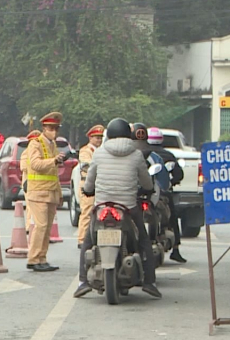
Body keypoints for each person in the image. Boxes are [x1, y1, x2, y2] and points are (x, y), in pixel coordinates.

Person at [75, 118, 161, 299]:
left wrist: (88, 191)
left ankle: (82, 281)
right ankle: (149, 282)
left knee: (88, 240)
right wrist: (148, 189)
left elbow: (90, 180)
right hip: (128, 206)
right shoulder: (136, 154)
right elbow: (146, 181)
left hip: (102, 206)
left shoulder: (99, 153)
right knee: (144, 240)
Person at [23, 112, 66, 272]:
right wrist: (54, 160)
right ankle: (33, 258)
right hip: (38, 192)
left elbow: (54, 174)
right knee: (40, 226)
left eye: (56, 129)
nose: (54, 132)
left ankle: (42, 258)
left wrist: (59, 194)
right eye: (51, 128)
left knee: (47, 228)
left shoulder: (52, 145)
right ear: (44, 128)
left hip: (50, 192)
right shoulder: (35, 144)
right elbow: (35, 164)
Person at [145, 127, 187, 263]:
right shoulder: (167, 155)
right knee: (172, 218)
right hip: (161, 192)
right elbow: (178, 174)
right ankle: (176, 249)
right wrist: (172, 182)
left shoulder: (140, 154)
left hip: (142, 193)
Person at [76, 125, 105, 249]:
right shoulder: (85, 151)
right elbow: (87, 165)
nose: (99, 140)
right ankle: (82, 239)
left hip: (100, 184)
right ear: (90, 138)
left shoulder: (102, 151)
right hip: (87, 184)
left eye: (100, 137)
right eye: (96, 137)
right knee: (87, 212)